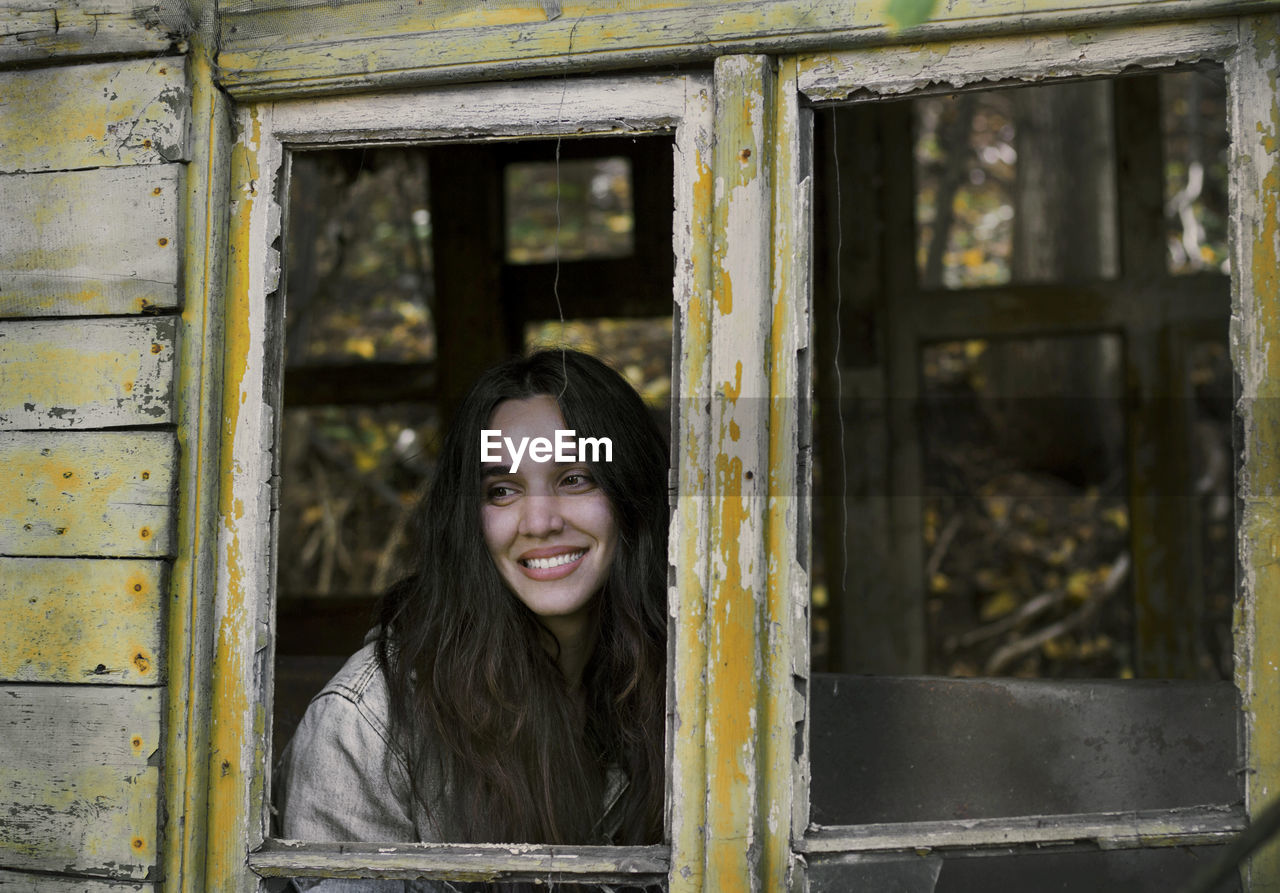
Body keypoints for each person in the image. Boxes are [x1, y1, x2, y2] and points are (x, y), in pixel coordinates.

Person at [275, 349, 669, 889]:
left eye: (575, 478)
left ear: (632, 495)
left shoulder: (678, 688)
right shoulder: (368, 727)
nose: (539, 521)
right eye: (502, 490)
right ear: (468, 520)